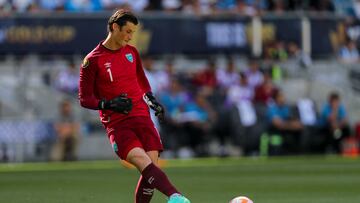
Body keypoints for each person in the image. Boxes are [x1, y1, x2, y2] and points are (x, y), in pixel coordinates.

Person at [78, 9, 190, 203]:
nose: (130, 37)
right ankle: (175, 196)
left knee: (150, 170)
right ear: (115, 27)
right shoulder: (92, 60)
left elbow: (142, 81)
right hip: (118, 123)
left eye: (132, 33)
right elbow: (85, 99)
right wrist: (108, 103)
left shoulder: (132, 53)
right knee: (141, 160)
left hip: (142, 116)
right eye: (127, 31)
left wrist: (151, 99)